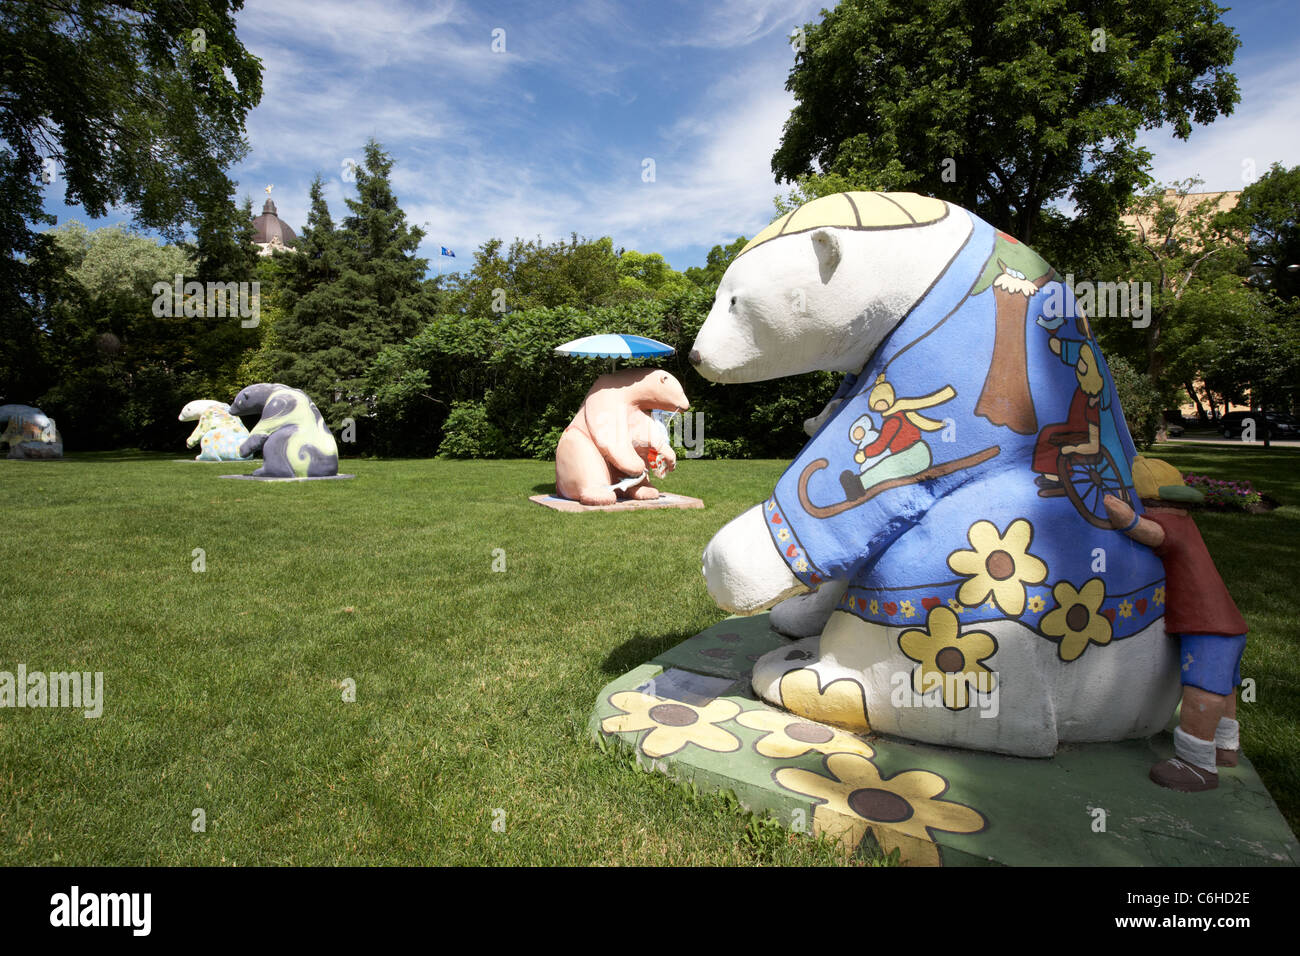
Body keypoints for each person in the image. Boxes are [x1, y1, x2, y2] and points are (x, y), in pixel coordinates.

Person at [1103, 457, 1247, 792]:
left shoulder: (1167, 524)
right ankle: (1225, 747)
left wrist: (1125, 519)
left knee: (1204, 689)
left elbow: (1151, 534)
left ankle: (1197, 763)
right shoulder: (1188, 522)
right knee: (1225, 688)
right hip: (1228, 624)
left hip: (1206, 627)